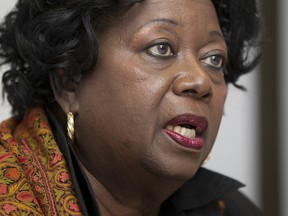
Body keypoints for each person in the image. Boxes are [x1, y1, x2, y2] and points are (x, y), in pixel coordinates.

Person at [0, 0, 261, 215]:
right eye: (161, 48)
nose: (201, 80)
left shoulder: (230, 209)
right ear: (69, 81)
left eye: (214, 59)